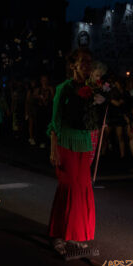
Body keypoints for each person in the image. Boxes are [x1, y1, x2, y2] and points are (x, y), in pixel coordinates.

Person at [47, 49, 102, 255]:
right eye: (83, 62)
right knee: (68, 188)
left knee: (83, 188)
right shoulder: (64, 88)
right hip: (66, 142)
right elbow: (55, 120)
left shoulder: (92, 89)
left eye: (89, 62)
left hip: (84, 143)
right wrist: (54, 150)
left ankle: (77, 234)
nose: (87, 65)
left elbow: (93, 118)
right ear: (74, 66)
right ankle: (58, 235)